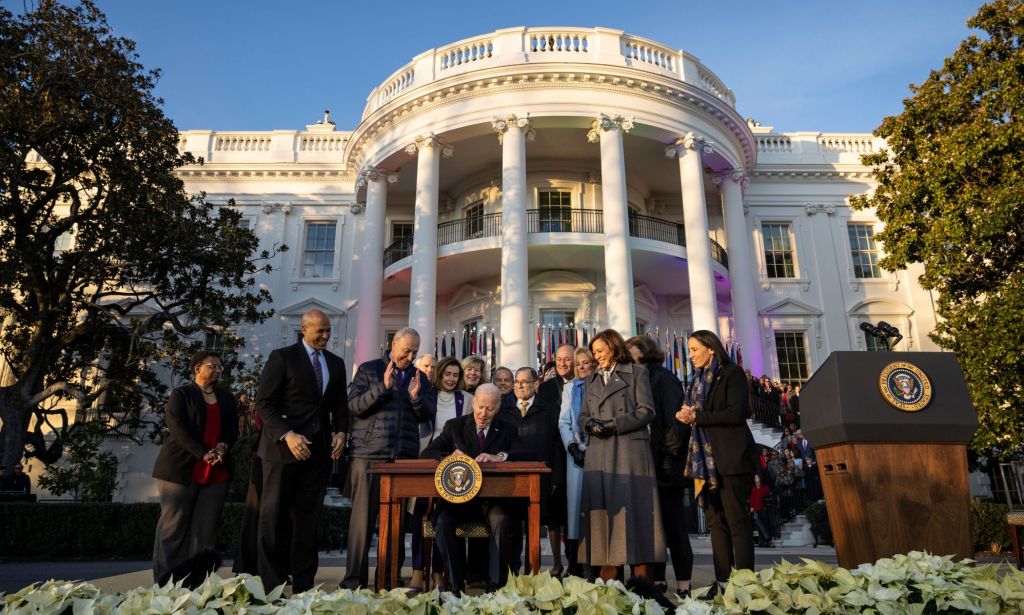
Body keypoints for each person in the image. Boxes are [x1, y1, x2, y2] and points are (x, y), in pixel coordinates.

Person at [254, 309, 348, 592]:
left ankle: (304, 588)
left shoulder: (336, 363)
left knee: (307, 522)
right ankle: (270, 588)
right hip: (281, 453)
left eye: (328, 330)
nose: (326, 335)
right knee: (273, 519)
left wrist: (342, 432)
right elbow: (263, 404)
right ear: (304, 329)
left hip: (318, 455)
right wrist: (287, 435)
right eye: (320, 330)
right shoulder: (282, 357)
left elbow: (339, 405)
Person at [342, 327, 436, 590]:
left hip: (403, 459)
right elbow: (353, 406)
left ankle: (389, 579)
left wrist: (416, 399)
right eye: (406, 350)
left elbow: (427, 414)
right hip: (368, 455)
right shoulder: (369, 369)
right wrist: (381, 388)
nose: (410, 356)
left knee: (395, 523)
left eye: (415, 352)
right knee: (362, 521)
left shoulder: (421, 378)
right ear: (393, 344)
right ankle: (353, 582)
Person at [676, 329, 759, 594]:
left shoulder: (731, 373)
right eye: (689, 350)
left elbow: (736, 413)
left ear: (711, 348)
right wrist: (686, 414)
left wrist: (697, 417)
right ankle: (723, 582)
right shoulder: (697, 379)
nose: (690, 356)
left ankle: (745, 583)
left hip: (731, 458)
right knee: (716, 524)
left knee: (737, 521)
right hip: (705, 461)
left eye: (693, 349)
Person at [578, 329, 664, 582]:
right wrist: (590, 425)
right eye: (594, 353)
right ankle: (609, 582)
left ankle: (641, 582)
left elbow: (647, 411)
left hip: (629, 452)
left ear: (614, 348)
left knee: (636, 514)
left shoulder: (638, 373)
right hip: (600, 453)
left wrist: (616, 424)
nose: (597, 356)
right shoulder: (591, 379)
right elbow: (583, 415)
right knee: (604, 515)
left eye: (600, 351)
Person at [152, 350, 239, 587]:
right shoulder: (182, 394)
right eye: (212, 365)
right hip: (180, 469)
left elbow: (233, 429)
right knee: (173, 528)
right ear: (197, 369)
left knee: (206, 531)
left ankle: (198, 584)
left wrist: (223, 446)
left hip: (217, 471)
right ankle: (165, 583)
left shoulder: (226, 398)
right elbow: (177, 427)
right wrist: (203, 452)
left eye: (220, 366)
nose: (218, 370)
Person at [421, 384, 517, 594]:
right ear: (473, 403)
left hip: (491, 503)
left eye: (490, 409)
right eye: (480, 407)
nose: (483, 413)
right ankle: (455, 585)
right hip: (458, 502)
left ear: (498, 407)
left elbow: (524, 453)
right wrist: (448, 457)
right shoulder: (455, 426)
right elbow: (428, 453)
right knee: (443, 521)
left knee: (500, 520)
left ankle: (495, 586)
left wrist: (500, 457)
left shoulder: (508, 427)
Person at [626, 335, 693, 598]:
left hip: (666, 464)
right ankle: (657, 579)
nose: (625, 355)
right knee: (652, 526)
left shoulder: (663, 378)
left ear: (642, 351)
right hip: (645, 463)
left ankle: (684, 581)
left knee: (673, 524)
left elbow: (674, 422)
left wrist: (668, 456)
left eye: (629, 350)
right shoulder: (636, 376)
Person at [410, 356, 472, 591]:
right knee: (419, 515)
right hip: (426, 459)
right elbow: (419, 414)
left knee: (441, 519)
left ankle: (438, 573)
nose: (451, 379)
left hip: (453, 465)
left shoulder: (467, 399)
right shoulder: (428, 395)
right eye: (447, 374)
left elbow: (468, 432)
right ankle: (417, 570)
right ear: (439, 375)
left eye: (456, 375)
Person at [503, 366, 565, 577]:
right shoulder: (505, 410)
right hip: (511, 478)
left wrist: (556, 476)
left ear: (535, 384)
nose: (520, 386)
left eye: (525, 382)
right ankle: (512, 572)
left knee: (535, 526)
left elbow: (556, 446)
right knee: (512, 527)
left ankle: (533, 572)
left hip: (540, 478)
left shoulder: (548, 410)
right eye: (517, 382)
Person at [557, 346, 595, 578]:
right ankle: (575, 566)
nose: (581, 367)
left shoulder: (601, 385)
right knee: (574, 512)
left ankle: (597, 566)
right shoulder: (570, 388)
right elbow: (564, 421)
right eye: (577, 363)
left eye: (585, 362)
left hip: (600, 454)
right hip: (576, 456)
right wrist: (571, 445)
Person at [537, 344, 575, 409]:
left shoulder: (587, 384)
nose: (562, 364)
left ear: (576, 360)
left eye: (567, 359)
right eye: (559, 359)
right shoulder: (544, 389)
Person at [749, 474, 773, 547]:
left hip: (763, 507)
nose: (756, 478)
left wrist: (760, 488)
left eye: (757, 477)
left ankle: (765, 539)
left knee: (762, 524)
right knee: (759, 524)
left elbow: (766, 494)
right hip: (755, 508)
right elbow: (752, 498)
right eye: (755, 477)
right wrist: (751, 506)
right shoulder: (753, 488)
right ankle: (765, 539)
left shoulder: (764, 487)